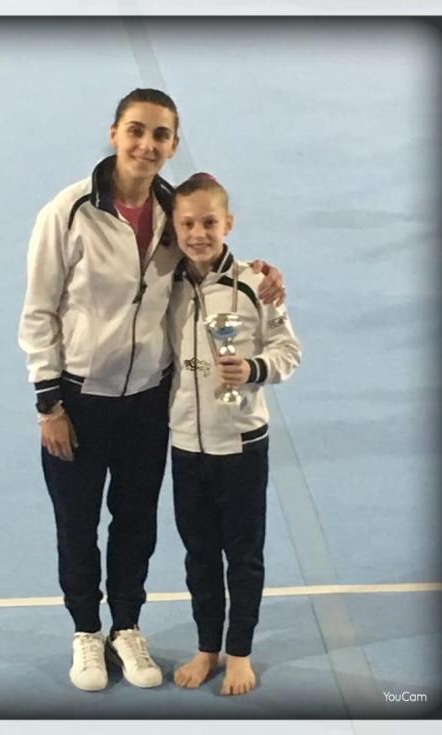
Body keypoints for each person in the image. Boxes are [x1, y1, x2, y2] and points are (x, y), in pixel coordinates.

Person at [18, 89, 286, 693]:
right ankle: (87, 631)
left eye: (160, 135)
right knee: (77, 523)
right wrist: (48, 403)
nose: (147, 144)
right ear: (114, 133)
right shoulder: (68, 211)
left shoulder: (173, 211)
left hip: (148, 401)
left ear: (173, 143)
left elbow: (209, 262)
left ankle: (126, 627)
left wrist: (261, 275)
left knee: (136, 522)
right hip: (78, 399)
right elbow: (38, 312)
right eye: (136, 130)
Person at [168, 173, 301, 695]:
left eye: (209, 222)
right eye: (187, 224)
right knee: (198, 554)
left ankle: (240, 651)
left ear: (228, 223)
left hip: (242, 444)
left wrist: (252, 368)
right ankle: (208, 647)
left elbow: (288, 351)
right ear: (174, 226)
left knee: (243, 554)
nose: (198, 233)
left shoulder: (255, 284)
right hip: (186, 443)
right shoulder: (167, 284)